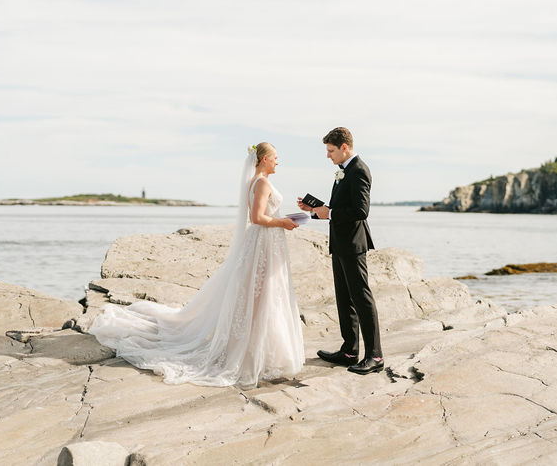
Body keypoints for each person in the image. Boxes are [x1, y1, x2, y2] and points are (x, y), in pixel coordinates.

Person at [90, 142, 304, 388]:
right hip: (263, 242)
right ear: (264, 159)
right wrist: (283, 222)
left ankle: (261, 348)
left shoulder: (253, 182)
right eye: (276, 157)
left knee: (262, 294)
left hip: (263, 242)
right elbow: (257, 218)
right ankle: (254, 352)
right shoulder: (263, 183)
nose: (278, 161)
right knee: (261, 294)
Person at [297, 127, 383, 374]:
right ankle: (349, 351)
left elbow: (361, 211)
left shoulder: (359, 171)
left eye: (331, 150)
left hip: (354, 244)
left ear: (344, 147)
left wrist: (330, 213)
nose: (328, 156)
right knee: (345, 299)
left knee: (362, 299)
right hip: (340, 242)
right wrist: (316, 210)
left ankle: (375, 356)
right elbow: (339, 207)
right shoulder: (343, 172)